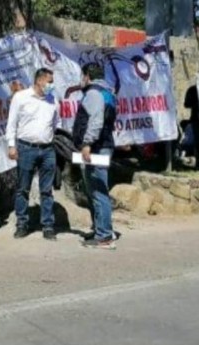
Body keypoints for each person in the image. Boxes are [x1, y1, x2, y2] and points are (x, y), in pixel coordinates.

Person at [6, 67, 60, 240]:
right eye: (49, 82)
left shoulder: (53, 100)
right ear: (39, 81)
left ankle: (48, 225)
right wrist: (11, 146)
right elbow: (11, 123)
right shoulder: (20, 97)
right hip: (26, 148)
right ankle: (22, 224)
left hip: (47, 149)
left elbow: (55, 124)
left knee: (47, 190)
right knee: (23, 188)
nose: (52, 85)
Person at [72, 62, 118, 250]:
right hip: (103, 145)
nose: (81, 80)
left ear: (87, 76)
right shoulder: (108, 92)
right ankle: (101, 229)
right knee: (96, 191)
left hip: (96, 148)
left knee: (98, 192)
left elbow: (96, 121)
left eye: (82, 76)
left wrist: (87, 144)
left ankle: (104, 236)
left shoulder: (93, 93)